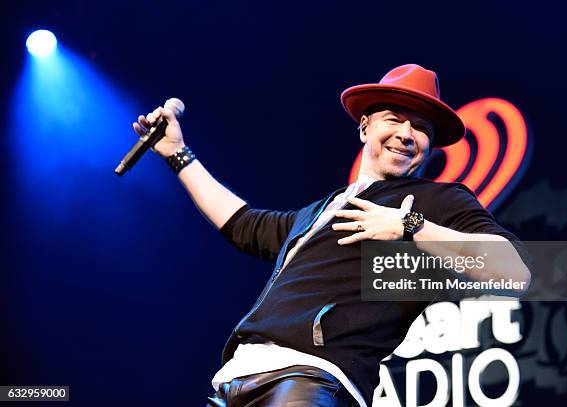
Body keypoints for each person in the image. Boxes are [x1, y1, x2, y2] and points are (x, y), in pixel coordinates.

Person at [132, 64, 531, 407]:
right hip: (233, 380)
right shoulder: (320, 211)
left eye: (421, 128)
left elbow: (515, 271)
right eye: (394, 118)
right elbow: (242, 224)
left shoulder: (435, 199)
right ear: (365, 127)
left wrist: (411, 227)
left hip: (310, 379)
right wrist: (178, 153)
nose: (407, 134)